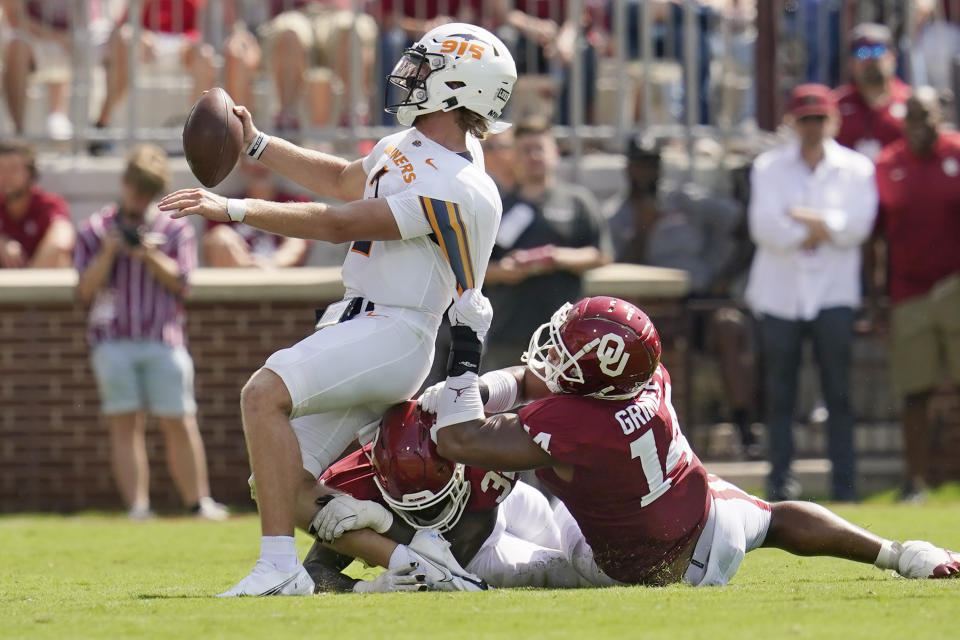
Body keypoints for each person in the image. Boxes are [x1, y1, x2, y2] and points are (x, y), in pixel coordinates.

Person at [159, 22, 517, 597]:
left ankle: (279, 571)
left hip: (398, 328)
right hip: (362, 322)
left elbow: (338, 222)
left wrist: (233, 208)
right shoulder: (409, 146)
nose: (409, 77)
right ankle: (414, 561)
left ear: (460, 89)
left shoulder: (460, 184)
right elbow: (345, 181)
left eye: (425, 70)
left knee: (262, 392)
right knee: (276, 479)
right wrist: (259, 145)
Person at [422, 293, 960, 587]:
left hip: (629, 567)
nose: (552, 354)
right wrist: (480, 387)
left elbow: (459, 439)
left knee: (507, 509)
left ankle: (413, 551)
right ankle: (902, 554)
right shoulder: (646, 377)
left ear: (594, 377)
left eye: (565, 350)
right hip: (708, 520)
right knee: (774, 517)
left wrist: (466, 354)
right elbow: (541, 379)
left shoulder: (579, 421)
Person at [74, 144, 227, 522]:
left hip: (164, 340)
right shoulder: (95, 229)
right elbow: (83, 292)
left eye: (148, 191)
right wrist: (109, 252)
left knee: (180, 420)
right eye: (136, 188)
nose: (140, 198)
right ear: (125, 183)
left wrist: (149, 255)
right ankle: (138, 508)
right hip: (113, 341)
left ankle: (198, 503)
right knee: (125, 424)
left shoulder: (174, 229)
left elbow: (184, 284)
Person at [745, 84, 877, 502]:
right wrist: (827, 226)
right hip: (780, 294)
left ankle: (845, 485)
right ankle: (780, 483)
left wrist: (801, 219)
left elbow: (858, 228)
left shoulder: (857, 168)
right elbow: (765, 229)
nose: (812, 127)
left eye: (819, 118)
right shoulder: (768, 166)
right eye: (805, 119)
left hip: (833, 293)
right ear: (791, 122)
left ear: (833, 120)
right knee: (779, 394)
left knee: (838, 392)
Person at [300, 400, 586, 591]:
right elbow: (313, 569)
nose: (425, 514)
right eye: (410, 509)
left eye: (435, 504)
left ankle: (573, 510)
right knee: (572, 574)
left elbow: (455, 553)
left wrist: (384, 522)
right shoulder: (352, 487)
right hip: (482, 557)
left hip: (485, 525)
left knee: (567, 539)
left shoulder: (475, 455)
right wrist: (366, 588)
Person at [605, 137, 758, 457]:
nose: (646, 172)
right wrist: (644, 228)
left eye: (652, 164)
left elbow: (744, 225)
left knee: (730, 325)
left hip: (698, 300)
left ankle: (745, 427)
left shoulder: (685, 200)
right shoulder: (618, 215)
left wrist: (724, 277)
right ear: (629, 168)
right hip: (647, 310)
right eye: (640, 164)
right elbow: (616, 268)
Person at [874, 87, 960, 503]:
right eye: (913, 117)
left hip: (956, 284)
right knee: (915, 390)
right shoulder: (889, 163)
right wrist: (876, 299)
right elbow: (876, 239)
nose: (920, 125)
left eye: (927, 116)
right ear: (903, 120)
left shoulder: (957, 153)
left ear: (940, 116)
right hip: (909, 289)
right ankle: (916, 482)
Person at [483, 117, 610, 372]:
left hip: (567, 337)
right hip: (508, 333)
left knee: (565, 410)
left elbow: (599, 255)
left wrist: (555, 257)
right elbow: (474, 268)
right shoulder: (496, 206)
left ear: (555, 153)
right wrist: (505, 272)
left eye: (539, 148)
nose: (534, 156)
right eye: (525, 150)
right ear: (513, 157)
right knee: (504, 408)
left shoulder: (577, 202)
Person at [91, 0, 216, 153]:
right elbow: (125, 24)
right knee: (125, 41)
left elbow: (197, 28)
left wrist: (187, 41)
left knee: (204, 56)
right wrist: (141, 34)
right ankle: (102, 124)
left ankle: (197, 134)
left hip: (182, 43)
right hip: (146, 40)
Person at [201, 159, 312, 268]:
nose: (259, 166)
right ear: (242, 164)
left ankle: (263, 270)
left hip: (279, 275)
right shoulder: (224, 205)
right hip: (239, 276)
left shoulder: (296, 203)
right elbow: (213, 245)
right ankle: (252, 271)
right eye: (251, 158)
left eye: (265, 159)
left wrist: (269, 265)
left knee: (298, 236)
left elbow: (299, 244)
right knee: (220, 235)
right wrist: (248, 265)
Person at [832, 22, 909, 161]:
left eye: (878, 50)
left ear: (893, 57)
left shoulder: (911, 103)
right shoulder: (835, 105)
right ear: (851, 63)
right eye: (861, 52)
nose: (871, 59)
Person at [0, 140, 74, 268]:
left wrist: (30, 280)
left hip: (41, 282)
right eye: (1, 169)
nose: (6, 176)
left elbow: (62, 239)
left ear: (30, 172)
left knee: (60, 255)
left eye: (13, 169)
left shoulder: (49, 204)